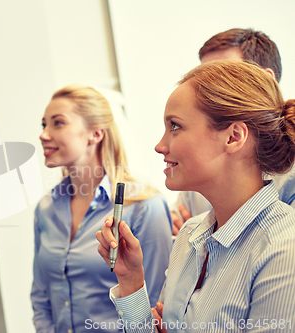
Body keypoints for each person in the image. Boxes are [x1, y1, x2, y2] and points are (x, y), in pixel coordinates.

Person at [97, 60, 295, 332]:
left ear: (233, 137)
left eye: (175, 126)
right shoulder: (189, 236)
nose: (159, 145)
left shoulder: (283, 248)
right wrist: (131, 279)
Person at [31, 85, 173, 332]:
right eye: (44, 124)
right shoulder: (45, 209)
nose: (44, 134)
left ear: (95, 134)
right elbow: (41, 297)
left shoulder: (145, 207)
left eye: (57, 123)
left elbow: (157, 304)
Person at [170, 28, 295, 236]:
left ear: (265, 79)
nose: (207, 89)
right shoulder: (201, 162)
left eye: (223, 77)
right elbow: (179, 218)